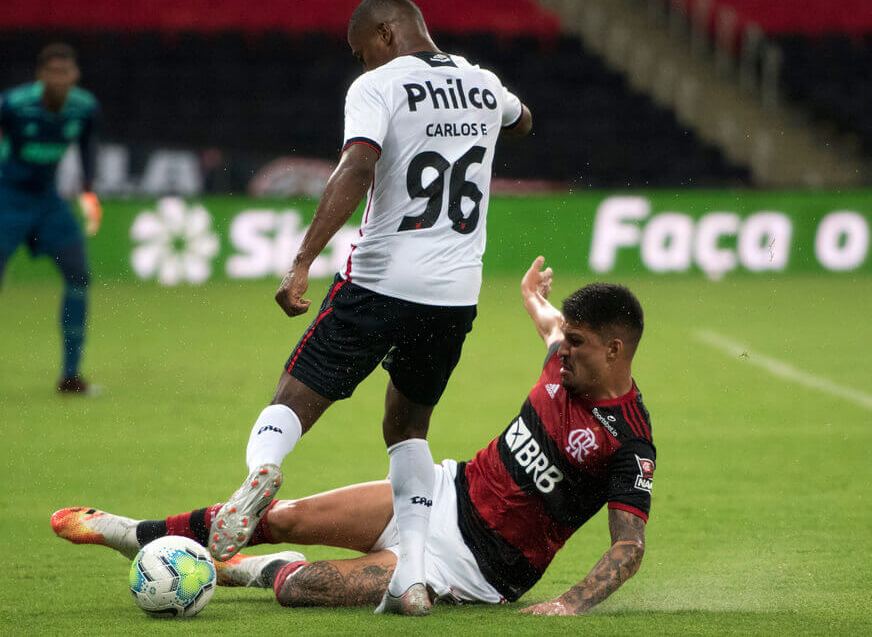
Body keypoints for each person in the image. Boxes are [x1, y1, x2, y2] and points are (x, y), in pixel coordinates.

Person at [52, 256, 656, 615]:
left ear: (615, 349)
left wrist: (570, 605)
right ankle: (129, 532)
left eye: (578, 343)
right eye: (566, 339)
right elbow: (553, 326)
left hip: (474, 566)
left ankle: (256, 571)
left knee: (300, 589)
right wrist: (534, 301)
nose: (563, 349)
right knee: (281, 514)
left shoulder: (628, 440)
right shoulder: (565, 358)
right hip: (442, 492)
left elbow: (628, 547)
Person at [207, 0, 533, 616]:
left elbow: (357, 167)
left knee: (293, 397)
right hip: (454, 295)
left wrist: (302, 260)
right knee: (408, 430)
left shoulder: (379, 87)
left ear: (386, 33)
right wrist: (491, 119)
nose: (362, 65)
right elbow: (523, 120)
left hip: (381, 281)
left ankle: (263, 470)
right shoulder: (483, 82)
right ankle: (410, 578)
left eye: (362, 52)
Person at [0, 43, 102, 396]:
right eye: (53, 73)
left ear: (75, 76)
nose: (60, 81)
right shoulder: (14, 104)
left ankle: (70, 377)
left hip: (47, 201)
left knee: (78, 275)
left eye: (66, 74)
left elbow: (89, 142)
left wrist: (88, 190)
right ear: (41, 76)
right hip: (5, 198)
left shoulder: (85, 107)